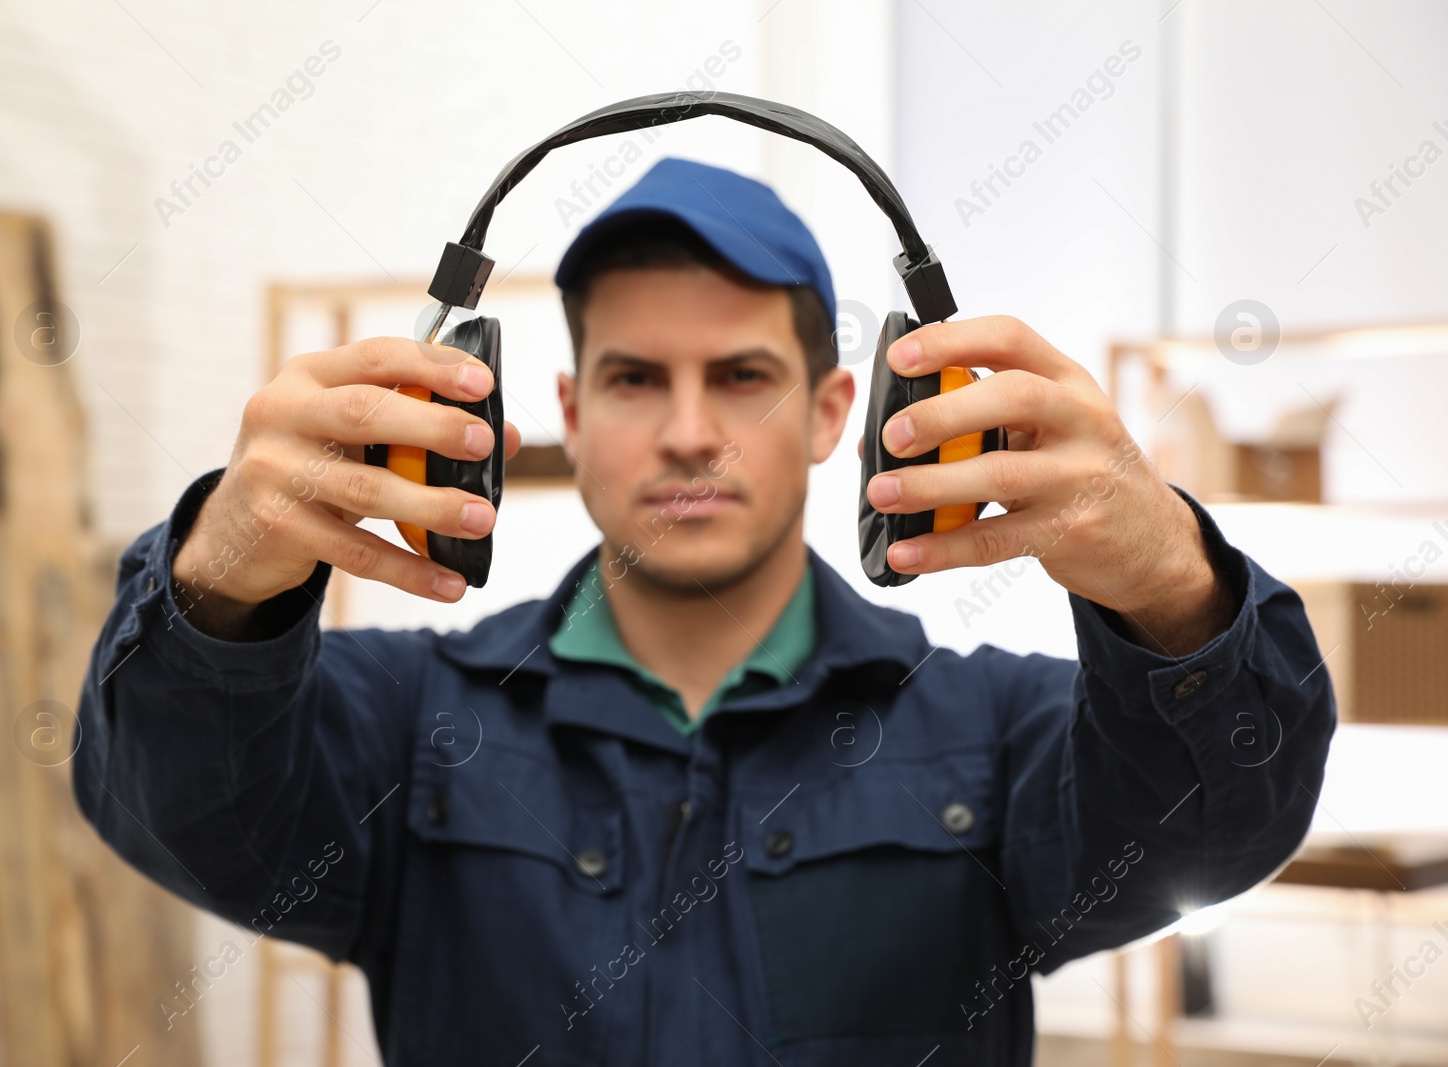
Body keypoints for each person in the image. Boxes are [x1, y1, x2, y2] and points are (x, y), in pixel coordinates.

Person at [73, 156, 1337, 1066]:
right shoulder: (407, 723)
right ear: (570, 408)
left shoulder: (992, 734)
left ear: (839, 412)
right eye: (634, 378)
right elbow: (183, 814)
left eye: (741, 376)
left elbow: (1213, 840)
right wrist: (217, 586)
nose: (686, 432)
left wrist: (1174, 587)